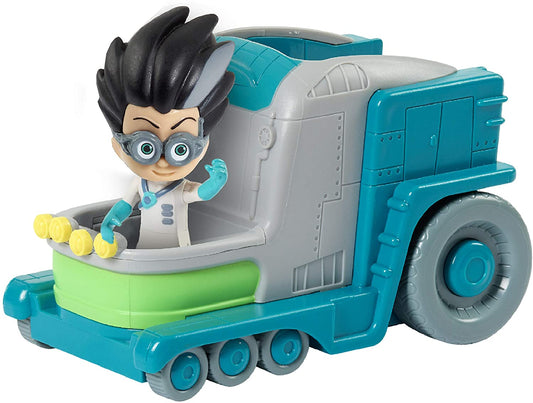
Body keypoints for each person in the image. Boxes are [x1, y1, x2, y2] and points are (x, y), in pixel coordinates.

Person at [95, 6, 235, 252]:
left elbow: (201, 193)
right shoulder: (140, 184)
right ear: (119, 146)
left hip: (177, 255)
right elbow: (124, 207)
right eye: (145, 147)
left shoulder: (179, 188)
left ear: (202, 147)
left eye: (180, 148)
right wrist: (108, 225)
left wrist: (217, 181)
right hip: (145, 250)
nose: (162, 162)